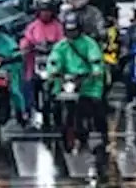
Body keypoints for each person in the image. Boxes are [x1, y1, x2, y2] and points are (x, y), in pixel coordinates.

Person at [45, 13, 106, 161]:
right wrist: (53, 72)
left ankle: (103, 135)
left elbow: (95, 59)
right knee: (54, 103)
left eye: (74, 30)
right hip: (67, 81)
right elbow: (54, 59)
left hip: (87, 81)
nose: (71, 33)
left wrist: (96, 70)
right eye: (69, 30)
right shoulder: (61, 46)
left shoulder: (89, 43)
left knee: (97, 108)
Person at [20, 0, 65, 115]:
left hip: (53, 61)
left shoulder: (58, 26)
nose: (45, 14)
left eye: (48, 10)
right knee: (28, 83)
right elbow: (27, 39)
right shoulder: (33, 27)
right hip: (35, 61)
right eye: (43, 11)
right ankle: (29, 109)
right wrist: (26, 47)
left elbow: (63, 41)